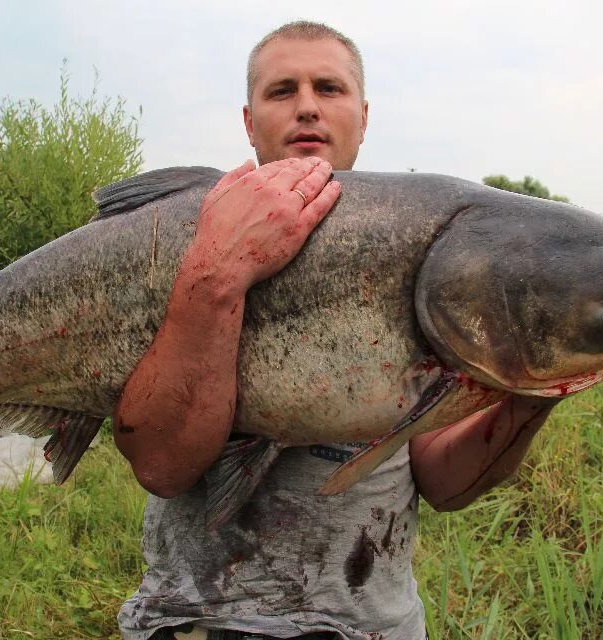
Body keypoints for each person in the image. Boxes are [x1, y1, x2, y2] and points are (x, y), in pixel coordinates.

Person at [115, 21, 554, 640]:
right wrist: (215, 274)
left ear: (364, 116)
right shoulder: (183, 238)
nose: (306, 108)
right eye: (281, 91)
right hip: (191, 623)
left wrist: (532, 388)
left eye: (329, 88)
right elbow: (162, 466)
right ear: (249, 121)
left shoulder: (423, 248)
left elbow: (444, 482)